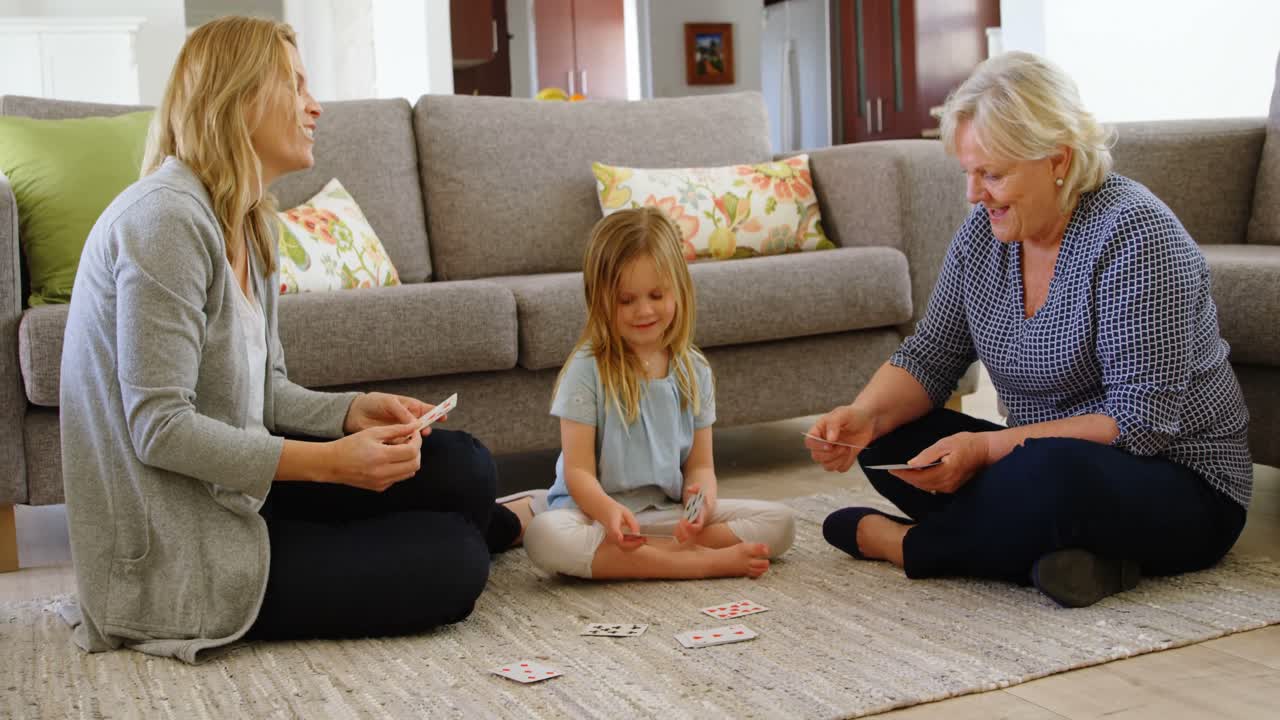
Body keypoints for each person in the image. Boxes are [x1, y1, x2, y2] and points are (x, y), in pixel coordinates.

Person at [59, 16, 532, 663]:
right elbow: (160, 427)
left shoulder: (252, 224)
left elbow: (266, 390)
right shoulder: (163, 220)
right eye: (295, 83)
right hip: (178, 546)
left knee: (465, 465)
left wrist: (348, 410)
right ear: (239, 95)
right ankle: (479, 532)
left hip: (238, 491)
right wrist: (331, 463)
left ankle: (479, 521)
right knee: (454, 563)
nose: (315, 105)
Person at [809, 51, 1251, 608]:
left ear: (1057, 160)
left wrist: (989, 448)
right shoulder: (982, 235)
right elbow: (929, 355)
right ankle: (1078, 559)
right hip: (1037, 469)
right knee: (890, 440)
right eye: (969, 172)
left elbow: (1140, 426)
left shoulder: (1136, 235)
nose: (974, 194)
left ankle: (910, 545)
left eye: (992, 174)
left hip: (1179, 482)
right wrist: (863, 417)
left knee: (1046, 472)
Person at [522, 207, 795, 580]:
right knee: (545, 536)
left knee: (779, 523)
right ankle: (694, 562)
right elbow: (578, 473)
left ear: (678, 290)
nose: (644, 311)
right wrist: (607, 512)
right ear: (600, 299)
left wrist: (700, 504)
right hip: (592, 516)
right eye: (626, 300)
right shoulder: (587, 369)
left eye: (655, 294)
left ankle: (648, 555)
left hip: (662, 514)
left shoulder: (693, 369)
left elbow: (700, 466)